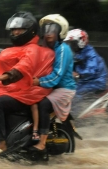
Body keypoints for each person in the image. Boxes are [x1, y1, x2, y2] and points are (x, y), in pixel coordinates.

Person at [0, 11, 55, 156]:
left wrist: (2, 77)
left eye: (20, 29)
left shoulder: (33, 49)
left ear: (31, 30)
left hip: (26, 93)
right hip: (12, 90)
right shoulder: (14, 49)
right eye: (14, 29)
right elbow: (1, 68)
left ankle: (1, 143)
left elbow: (23, 67)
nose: (16, 32)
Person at [29, 14, 76, 152]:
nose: (48, 33)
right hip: (51, 87)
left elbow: (56, 76)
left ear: (60, 31)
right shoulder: (46, 47)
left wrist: (38, 81)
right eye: (46, 29)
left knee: (43, 105)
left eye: (52, 29)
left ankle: (42, 143)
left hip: (64, 89)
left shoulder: (62, 49)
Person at [64, 29, 108, 117]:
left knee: (74, 94)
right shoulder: (78, 52)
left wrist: (78, 74)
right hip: (86, 80)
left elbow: (91, 70)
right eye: (70, 43)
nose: (71, 46)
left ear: (81, 41)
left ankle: (76, 117)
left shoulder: (90, 53)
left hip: (96, 81)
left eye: (73, 43)